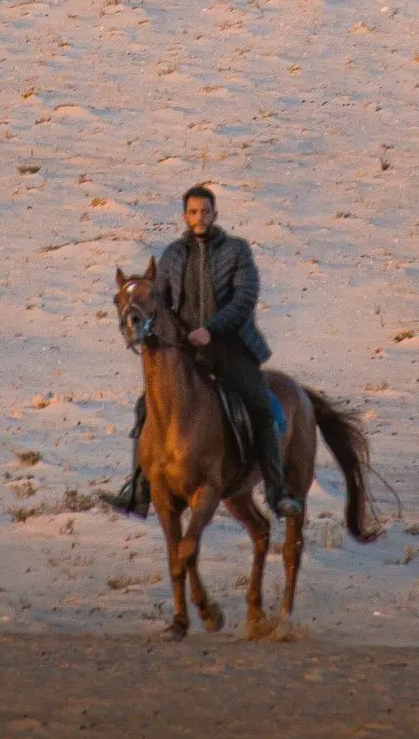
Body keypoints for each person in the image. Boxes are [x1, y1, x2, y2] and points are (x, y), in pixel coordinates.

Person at [108, 184, 298, 519]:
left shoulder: (237, 251)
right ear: (185, 216)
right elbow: (161, 303)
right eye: (193, 212)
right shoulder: (172, 255)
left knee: (258, 403)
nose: (200, 218)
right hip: (187, 352)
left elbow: (244, 300)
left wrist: (211, 329)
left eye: (206, 211)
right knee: (144, 408)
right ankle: (138, 490)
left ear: (214, 214)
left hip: (231, 348)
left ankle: (276, 490)